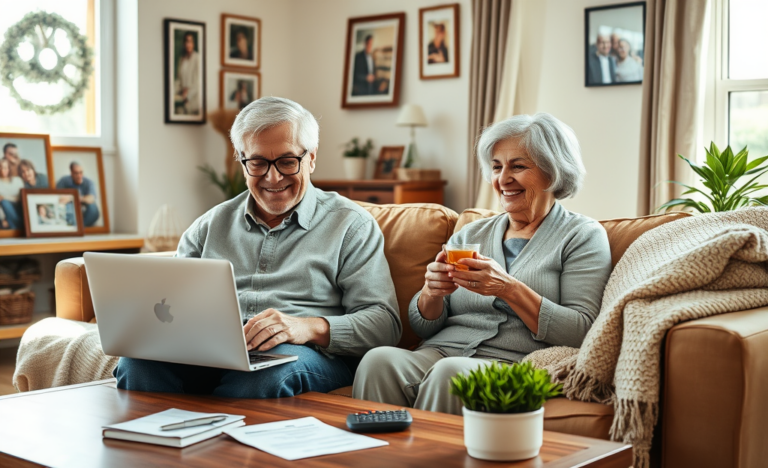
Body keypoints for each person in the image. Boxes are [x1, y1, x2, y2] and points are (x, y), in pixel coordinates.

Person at [113, 96, 402, 399]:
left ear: (312, 158)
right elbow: (169, 306)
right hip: (212, 353)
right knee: (136, 365)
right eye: (258, 163)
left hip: (303, 355)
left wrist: (306, 327)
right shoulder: (208, 226)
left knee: (263, 377)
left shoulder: (351, 225)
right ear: (242, 162)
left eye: (288, 161)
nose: (272, 177)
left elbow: (384, 324)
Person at [353, 113, 612, 415]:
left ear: (553, 171)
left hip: (513, 362)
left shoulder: (581, 235)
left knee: (451, 374)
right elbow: (424, 326)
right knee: (378, 360)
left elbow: (582, 331)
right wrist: (431, 293)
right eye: (497, 167)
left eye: (518, 166)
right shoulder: (471, 234)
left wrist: (508, 289)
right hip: (443, 351)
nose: (503, 179)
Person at [56, 162, 100, 227]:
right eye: (76, 173)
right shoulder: (64, 181)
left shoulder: (89, 182)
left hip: (85, 209)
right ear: (71, 173)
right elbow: (58, 197)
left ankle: (81, 226)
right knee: (68, 206)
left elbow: (91, 198)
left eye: (81, 172)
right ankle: (73, 226)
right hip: (70, 206)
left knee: (93, 207)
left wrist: (74, 198)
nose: (79, 176)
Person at [176, 31, 200, 114]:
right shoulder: (182, 59)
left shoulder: (197, 58)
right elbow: (179, 79)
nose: (188, 44)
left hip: (193, 99)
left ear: (193, 43)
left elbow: (198, 82)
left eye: (190, 42)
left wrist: (188, 94)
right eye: (186, 42)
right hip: (182, 97)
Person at [0, 158, 23, 230]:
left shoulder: (17, 180)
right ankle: (15, 228)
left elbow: (21, 198)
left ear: (9, 168)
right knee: (4, 203)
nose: (2, 170)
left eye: (5, 168)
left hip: (19, 206)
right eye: (1, 167)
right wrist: (2, 218)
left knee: (4, 201)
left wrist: (5, 197)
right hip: (5, 210)